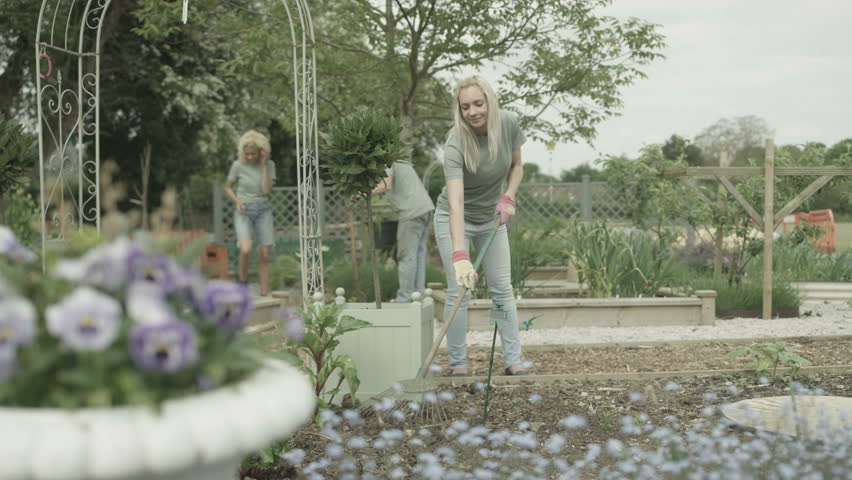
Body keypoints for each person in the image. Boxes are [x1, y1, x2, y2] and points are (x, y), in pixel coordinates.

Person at [434, 75, 528, 377]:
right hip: (453, 217)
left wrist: (508, 196)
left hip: (493, 218)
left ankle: (513, 359)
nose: (473, 112)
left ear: (489, 101)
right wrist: (460, 255)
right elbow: (456, 203)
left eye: (478, 103)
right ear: (459, 111)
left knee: (502, 289)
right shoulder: (455, 143)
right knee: (459, 291)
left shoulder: (508, 124)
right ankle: (458, 364)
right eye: (465, 107)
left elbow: (516, 167)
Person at [370, 160, 435, 303]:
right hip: (425, 208)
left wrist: (363, 192)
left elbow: (386, 184)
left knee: (407, 256)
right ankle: (419, 296)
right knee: (418, 255)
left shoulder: (387, 160)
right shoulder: (400, 159)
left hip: (412, 212)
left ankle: (404, 299)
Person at [224, 130, 276, 296]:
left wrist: (264, 166)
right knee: (245, 249)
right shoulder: (237, 165)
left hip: (263, 211)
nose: (250, 157)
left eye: (253, 154)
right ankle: (243, 282)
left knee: (265, 253)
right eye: (247, 154)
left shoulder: (269, 165)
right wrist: (237, 201)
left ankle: (264, 292)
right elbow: (227, 187)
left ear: (261, 152)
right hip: (243, 211)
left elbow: (266, 191)